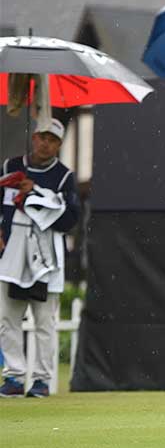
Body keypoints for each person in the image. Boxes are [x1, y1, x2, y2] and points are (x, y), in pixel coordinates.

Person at [0, 119, 79, 398]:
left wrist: (34, 193)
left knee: (44, 323)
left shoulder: (64, 176)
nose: (46, 143)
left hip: (47, 260)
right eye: (42, 137)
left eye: (52, 139)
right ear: (33, 138)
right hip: (10, 256)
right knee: (8, 320)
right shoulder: (11, 167)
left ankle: (42, 380)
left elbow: (70, 219)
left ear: (59, 144)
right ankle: (14, 377)